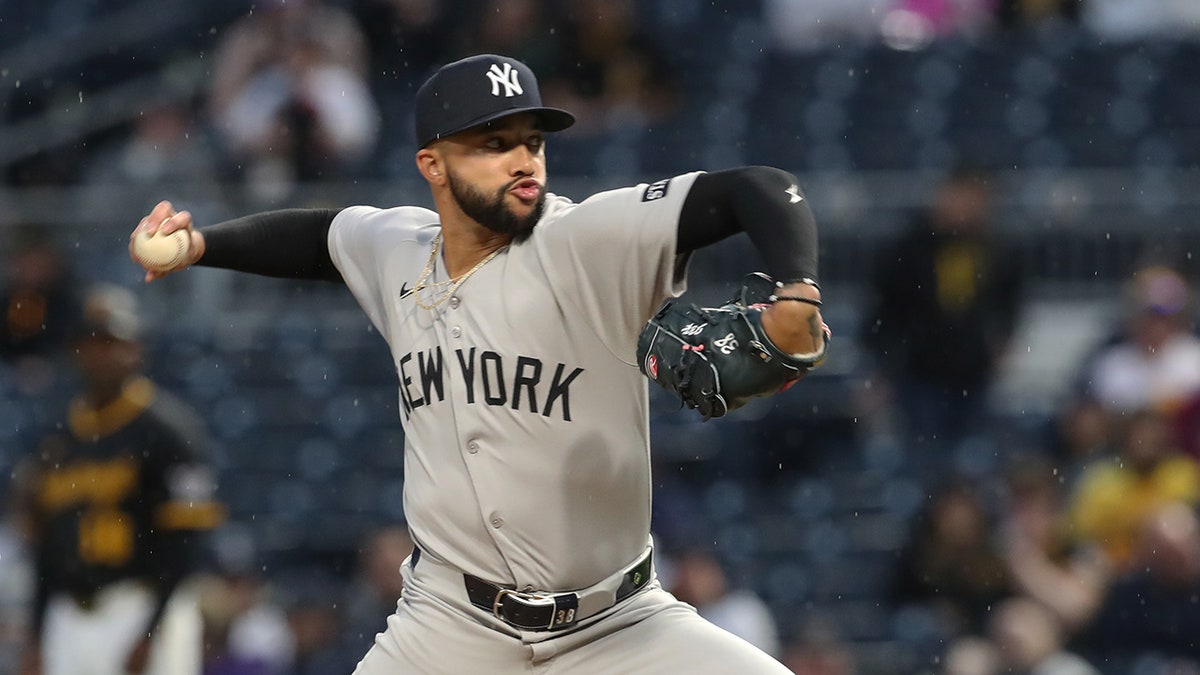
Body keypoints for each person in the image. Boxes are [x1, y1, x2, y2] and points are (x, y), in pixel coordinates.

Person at [129, 53, 825, 673]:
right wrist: (200, 246)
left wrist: (797, 289)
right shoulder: (399, 248)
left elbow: (760, 187)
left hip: (618, 625)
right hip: (447, 626)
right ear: (432, 164)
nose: (524, 161)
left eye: (532, 142)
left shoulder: (588, 240)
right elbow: (318, 238)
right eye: (494, 144)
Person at [16, 283, 225, 675]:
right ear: (75, 351)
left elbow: (189, 540)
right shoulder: (57, 439)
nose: (102, 354)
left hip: (142, 603)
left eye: (113, 342)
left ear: (137, 348)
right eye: (92, 343)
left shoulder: (171, 432)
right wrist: (36, 634)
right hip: (69, 616)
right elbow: (46, 547)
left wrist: (153, 629)